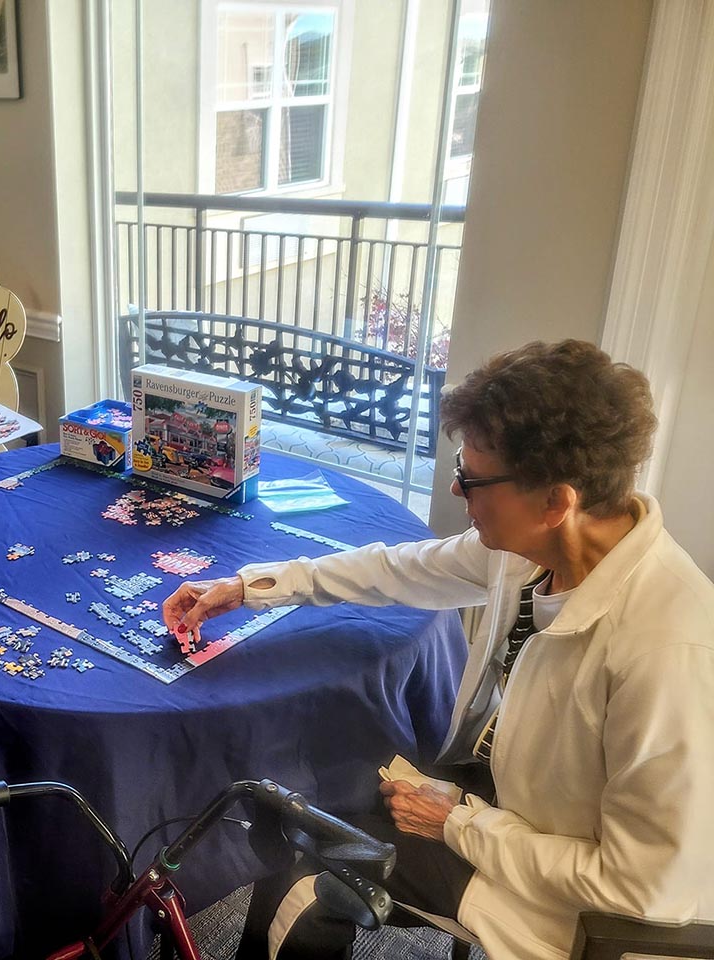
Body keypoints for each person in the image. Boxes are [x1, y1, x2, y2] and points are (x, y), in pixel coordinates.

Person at [162, 340, 714, 960]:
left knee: (305, 872)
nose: (455, 489)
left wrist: (459, 822)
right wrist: (250, 586)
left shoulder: (667, 652)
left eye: (473, 479)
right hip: (512, 792)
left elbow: (641, 891)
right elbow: (399, 569)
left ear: (557, 502)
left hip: (562, 903)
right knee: (327, 787)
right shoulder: (535, 548)